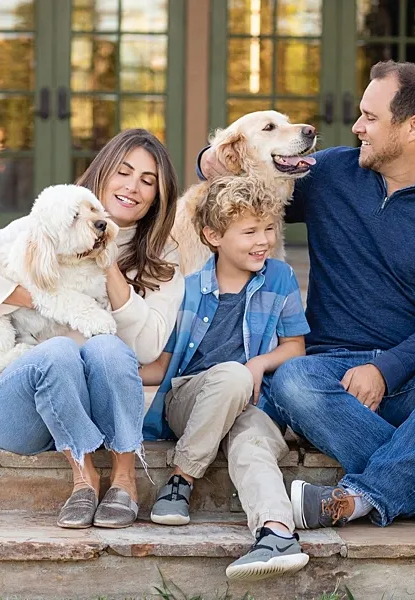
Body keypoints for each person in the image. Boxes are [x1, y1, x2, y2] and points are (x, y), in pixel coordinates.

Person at [198, 61, 415, 529]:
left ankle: (362, 496)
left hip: (414, 377)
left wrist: (385, 370)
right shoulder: (329, 173)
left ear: (412, 127)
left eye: (370, 117)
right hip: (329, 379)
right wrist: (212, 158)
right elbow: (239, 180)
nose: (356, 127)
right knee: (292, 380)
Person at [0, 128, 184, 529]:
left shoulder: (163, 256)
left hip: (93, 405)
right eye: (123, 172)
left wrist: (108, 265)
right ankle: (83, 479)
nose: (132, 187)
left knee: (107, 347)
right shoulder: (48, 222)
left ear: (158, 195)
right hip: (22, 410)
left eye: (147, 181)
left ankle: (124, 479)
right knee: (56, 352)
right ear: (102, 173)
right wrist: (45, 297)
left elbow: (147, 346)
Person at [139, 176, 311, 581]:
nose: (263, 240)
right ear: (213, 235)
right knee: (232, 376)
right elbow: (163, 365)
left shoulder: (281, 278)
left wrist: (260, 363)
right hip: (190, 400)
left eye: (269, 228)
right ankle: (181, 478)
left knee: (252, 444)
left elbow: (295, 348)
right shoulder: (189, 287)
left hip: (252, 402)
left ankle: (276, 534)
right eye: (249, 231)